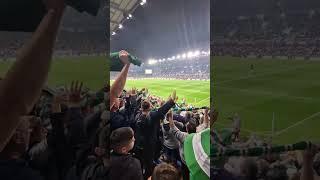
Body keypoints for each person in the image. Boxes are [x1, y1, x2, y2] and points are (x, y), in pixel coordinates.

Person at [134, 90, 178, 179]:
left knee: (141, 161)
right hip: (149, 145)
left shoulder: (137, 115)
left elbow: (160, 111)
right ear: (150, 107)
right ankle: (148, 175)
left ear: (141, 108)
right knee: (149, 163)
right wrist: (171, 101)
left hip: (139, 144)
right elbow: (161, 111)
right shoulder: (152, 116)